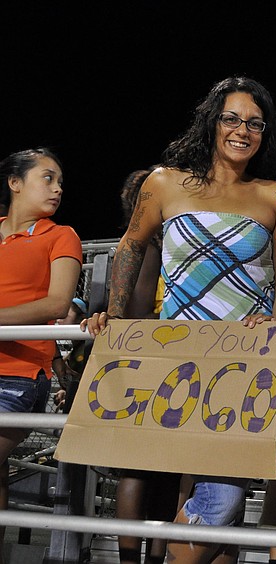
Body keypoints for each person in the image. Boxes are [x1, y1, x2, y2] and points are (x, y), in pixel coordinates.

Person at [82, 76, 276, 564]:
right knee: (201, 496)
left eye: (255, 123)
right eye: (231, 118)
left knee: (223, 495)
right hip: (176, 360)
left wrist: (273, 336)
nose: (242, 130)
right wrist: (116, 322)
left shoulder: (275, 196)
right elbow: (130, 247)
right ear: (211, 122)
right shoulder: (163, 183)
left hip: (242, 363)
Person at [0, 147, 83, 564]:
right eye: (47, 178)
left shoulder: (60, 235)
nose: (58, 188)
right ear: (15, 183)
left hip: (20, 373)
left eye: (60, 181)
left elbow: (56, 304)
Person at [110, 166, 186, 564]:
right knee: (139, 470)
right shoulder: (149, 245)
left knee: (150, 471)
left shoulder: (159, 243)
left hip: (159, 356)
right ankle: (136, 559)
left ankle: (151, 558)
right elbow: (138, 307)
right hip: (156, 355)